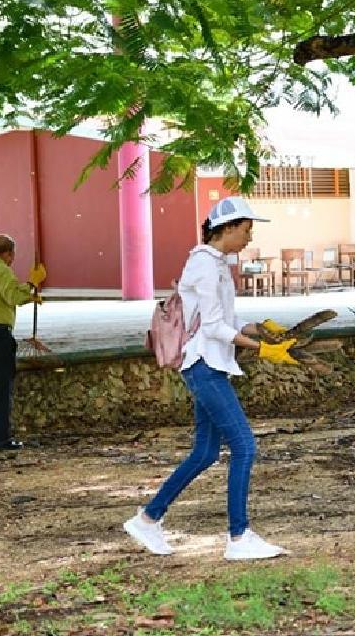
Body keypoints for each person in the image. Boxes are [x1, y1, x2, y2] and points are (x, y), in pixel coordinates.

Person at [123, 196, 300, 559]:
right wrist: (260, 349)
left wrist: (261, 328)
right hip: (203, 365)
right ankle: (238, 537)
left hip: (211, 364)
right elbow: (215, 327)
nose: (249, 238)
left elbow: (219, 320)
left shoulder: (216, 264)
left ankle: (148, 518)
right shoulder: (204, 264)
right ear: (228, 228)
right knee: (245, 446)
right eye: (246, 230)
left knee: (205, 452)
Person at [0, 235, 45, 451]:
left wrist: (29, 296)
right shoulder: (1, 270)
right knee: (0, 386)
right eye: (12, 255)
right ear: (7, 253)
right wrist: (31, 284)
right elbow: (11, 296)